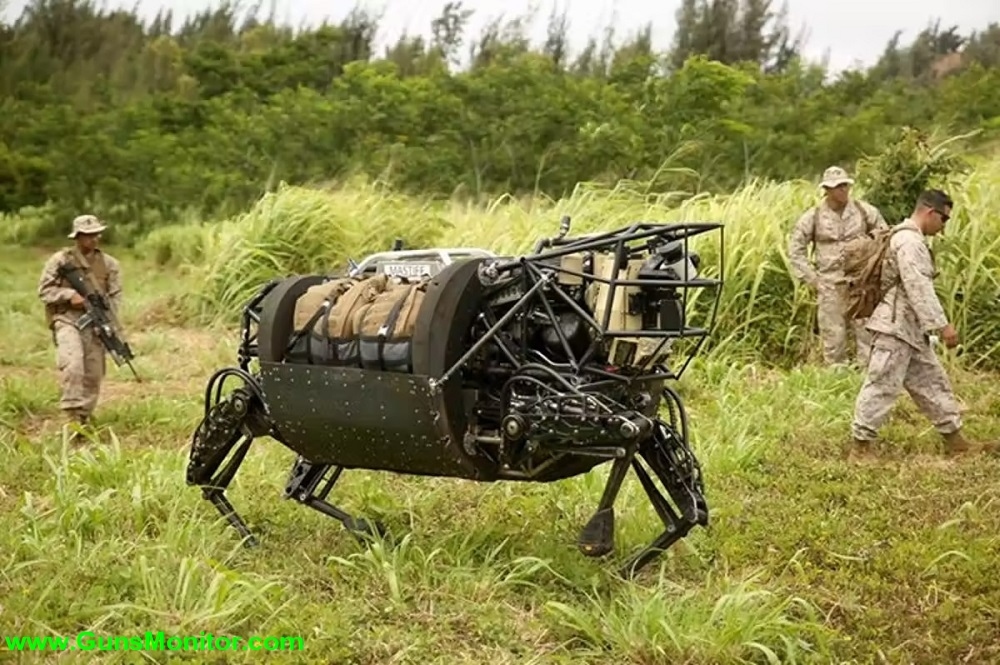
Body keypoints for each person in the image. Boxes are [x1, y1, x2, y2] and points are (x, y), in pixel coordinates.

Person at [848, 189, 995, 458]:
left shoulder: (908, 239)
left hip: (910, 330)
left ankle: (956, 442)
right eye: (944, 219)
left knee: (933, 383)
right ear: (929, 212)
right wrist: (943, 326)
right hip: (894, 329)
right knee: (882, 386)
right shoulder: (909, 242)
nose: (943, 227)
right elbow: (919, 288)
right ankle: (860, 448)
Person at [788, 165, 889, 367]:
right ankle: (837, 376)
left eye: (845, 185)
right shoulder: (814, 216)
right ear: (827, 189)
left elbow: (884, 238)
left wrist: (874, 271)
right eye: (837, 186)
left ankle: (867, 375)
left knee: (866, 333)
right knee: (833, 336)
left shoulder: (864, 211)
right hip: (829, 284)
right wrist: (813, 279)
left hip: (860, 284)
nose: (843, 190)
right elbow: (795, 250)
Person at [37, 214, 123, 434]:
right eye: (87, 235)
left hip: (95, 323)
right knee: (73, 363)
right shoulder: (61, 260)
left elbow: (115, 298)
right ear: (77, 237)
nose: (93, 239)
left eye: (96, 234)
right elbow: (45, 291)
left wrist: (110, 325)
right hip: (66, 318)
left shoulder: (110, 264)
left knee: (94, 372)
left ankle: (84, 417)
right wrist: (69, 295)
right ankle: (72, 416)